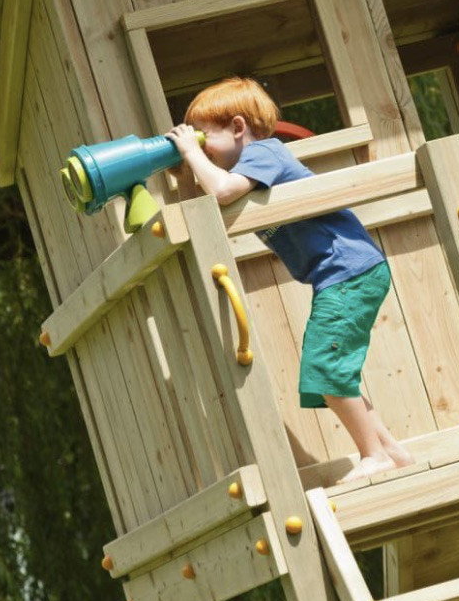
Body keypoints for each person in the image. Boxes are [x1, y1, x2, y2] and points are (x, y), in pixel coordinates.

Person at [166, 77, 413, 483]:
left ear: (239, 128)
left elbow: (223, 191)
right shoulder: (245, 170)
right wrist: (185, 172)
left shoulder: (265, 152)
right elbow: (202, 212)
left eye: (204, 135)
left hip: (348, 271)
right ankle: (390, 449)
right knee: (332, 372)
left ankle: (374, 456)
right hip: (342, 274)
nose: (199, 144)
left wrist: (193, 153)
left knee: (325, 366)